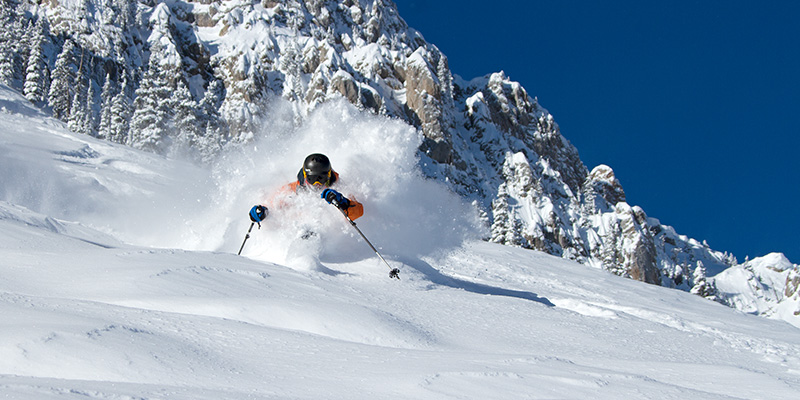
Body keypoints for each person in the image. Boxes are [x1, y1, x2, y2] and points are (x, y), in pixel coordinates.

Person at [248, 153, 364, 224]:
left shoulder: (340, 188)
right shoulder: (294, 189)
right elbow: (274, 204)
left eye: (321, 178)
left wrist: (342, 202)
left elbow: (358, 211)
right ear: (305, 176)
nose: (317, 184)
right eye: (313, 179)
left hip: (333, 243)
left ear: (329, 176)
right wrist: (263, 211)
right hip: (299, 232)